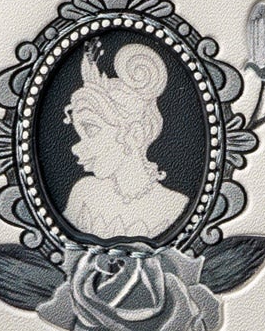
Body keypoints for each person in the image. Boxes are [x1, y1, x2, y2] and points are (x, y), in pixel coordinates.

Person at [61, 40, 189, 239]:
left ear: (134, 135)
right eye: (80, 133)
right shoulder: (84, 193)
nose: (75, 148)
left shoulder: (176, 206)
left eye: (91, 130)